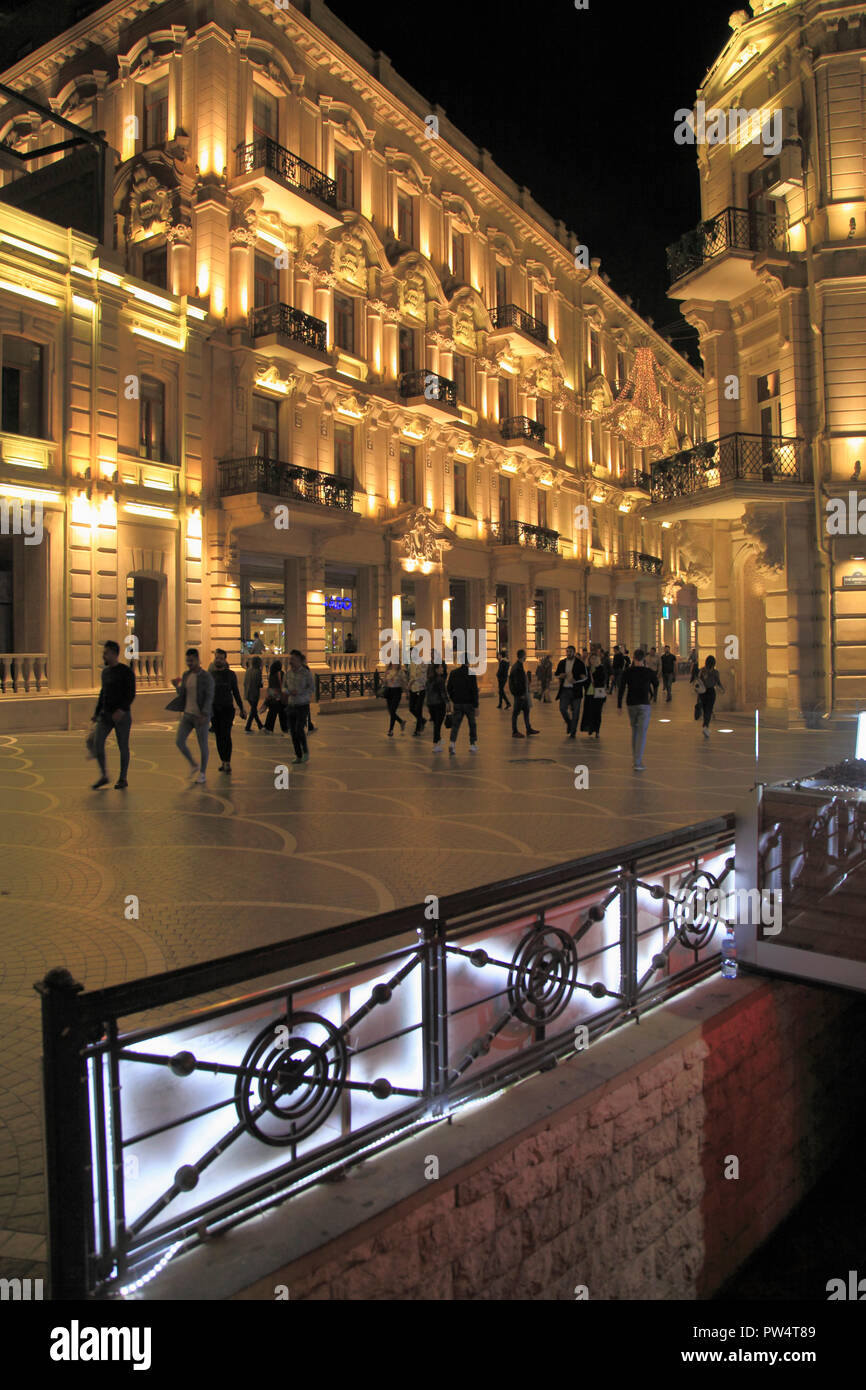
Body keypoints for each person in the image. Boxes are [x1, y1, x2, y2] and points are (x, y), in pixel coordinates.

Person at [90, 640, 136, 789]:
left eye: (106, 653)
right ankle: (104, 775)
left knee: (123, 746)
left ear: (114, 654)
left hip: (122, 716)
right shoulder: (105, 672)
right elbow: (103, 693)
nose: (104, 655)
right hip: (106, 715)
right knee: (98, 743)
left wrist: (122, 710)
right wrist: (97, 713)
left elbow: (131, 693)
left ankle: (123, 778)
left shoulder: (126, 672)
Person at [169, 648, 215, 783]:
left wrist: (205, 713)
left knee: (203, 745)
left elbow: (209, 696)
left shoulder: (206, 677)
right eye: (187, 661)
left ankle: (202, 773)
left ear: (197, 660)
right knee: (179, 741)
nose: (189, 663)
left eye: (191, 661)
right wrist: (176, 686)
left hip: (201, 716)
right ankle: (194, 765)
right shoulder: (186, 675)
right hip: (188, 715)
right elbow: (182, 694)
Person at [617, 648, 658, 770]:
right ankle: (637, 762)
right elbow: (656, 683)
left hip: (631, 704)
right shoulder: (648, 671)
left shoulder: (627, 671)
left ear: (634, 658)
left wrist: (619, 705)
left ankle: (636, 759)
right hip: (644, 704)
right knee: (641, 733)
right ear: (644, 659)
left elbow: (621, 688)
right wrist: (651, 694)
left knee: (635, 731)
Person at [209, 649, 244, 774]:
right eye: (216, 658)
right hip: (214, 710)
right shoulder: (210, 675)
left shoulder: (230, 675)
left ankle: (227, 761)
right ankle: (223, 761)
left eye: (220, 658)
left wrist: (242, 708)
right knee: (218, 736)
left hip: (227, 709)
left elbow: (236, 692)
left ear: (225, 660)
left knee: (226, 735)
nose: (218, 660)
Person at [285, 649, 316, 763]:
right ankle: (298, 755)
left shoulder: (306, 673)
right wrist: (288, 691)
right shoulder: (288, 674)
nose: (290, 661)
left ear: (298, 660)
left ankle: (305, 751)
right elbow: (284, 686)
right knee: (292, 731)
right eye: (290, 659)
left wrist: (300, 692)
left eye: (292, 659)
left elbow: (312, 688)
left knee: (299, 729)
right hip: (291, 704)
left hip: (302, 705)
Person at [446, 659, 479, 754]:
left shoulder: (453, 673)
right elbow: (474, 691)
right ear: (469, 662)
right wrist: (476, 705)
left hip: (458, 703)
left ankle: (452, 743)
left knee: (455, 725)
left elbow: (448, 688)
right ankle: (472, 744)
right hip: (469, 704)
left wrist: (453, 698)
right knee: (472, 724)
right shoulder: (472, 673)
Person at [555, 644, 587, 739]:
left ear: (574, 652)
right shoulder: (562, 662)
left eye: (570, 651)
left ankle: (573, 731)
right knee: (562, 708)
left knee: (576, 712)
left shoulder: (580, 663)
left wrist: (576, 680)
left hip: (576, 690)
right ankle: (569, 723)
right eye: (567, 651)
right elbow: (556, 674)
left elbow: (585, 677)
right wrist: (560, 676)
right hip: (565, 690)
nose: (568, 653)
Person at [692, 654, 725, 738]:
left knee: (704, 707)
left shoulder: (702, 670)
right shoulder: (715, 672)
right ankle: (705, 726)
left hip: (702, 692)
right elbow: (718, 682)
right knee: (709, 710)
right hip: (711, 692)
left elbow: (698, 681)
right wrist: (722, 688)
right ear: (714, 663)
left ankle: (704, 722)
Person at [508, 650, 539, 738]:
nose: (526, 657)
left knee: (526, 710)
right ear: (523, 656)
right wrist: (521, 694)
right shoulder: (517, 667)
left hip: (523, 693)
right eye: (525, 656)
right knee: (516, 713)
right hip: (520, 694)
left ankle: (528, 729)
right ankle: (514, 731)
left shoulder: (518, 665)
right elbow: (518, 682)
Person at [580, 656, 607, 738]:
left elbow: (603, 679)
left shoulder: (601, 669)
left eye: (594, 659)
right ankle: (590, 728)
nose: (592, 661)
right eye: (591, 659)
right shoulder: (587, 669)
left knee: (597, 712)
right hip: (589, 693)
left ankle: (597, 730)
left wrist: (594, 680)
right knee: (589, 712)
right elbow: (584, 681)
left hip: (598, 693)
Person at [425, 660, 449, 751]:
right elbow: (443, 693)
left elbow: (428, 693)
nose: (442, 668)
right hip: (439, 704)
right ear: (436, 669)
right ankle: (436, 744)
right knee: (438, 725)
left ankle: (438, 739)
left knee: (436, 723)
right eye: (440, 667)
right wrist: (447, 702)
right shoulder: (440, 680)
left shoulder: (429, 680)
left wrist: (427, 704)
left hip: (431, 704)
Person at [263, 659, 288, 734]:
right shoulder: (281, 674)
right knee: (282, 712)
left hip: (272, 695)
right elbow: (283, 684)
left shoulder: (271, 674)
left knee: (272, 712)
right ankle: (285, 728)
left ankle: (268, 727)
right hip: (279, 696)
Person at [383, 661, 407, 735]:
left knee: (393, 710)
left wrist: (406, 691)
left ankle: (391, 730)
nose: (395, 664)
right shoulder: (388, 671)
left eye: (396, 662)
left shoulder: (401, 672)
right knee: (391, 711)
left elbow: (404, 682)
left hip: (397, 691)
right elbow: (385, 681)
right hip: (389, 692)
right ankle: (401, 721)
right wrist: (385, 680)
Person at [408, 649, 429, 736]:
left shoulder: (423, 663)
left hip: (421, 688)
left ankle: (417, 730)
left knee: (419, 709)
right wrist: (409, 686)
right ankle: (422, 720)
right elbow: (411, 675)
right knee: (411, 708)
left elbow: (420, 676)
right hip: (413, 688)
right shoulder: (411, 664)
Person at [244, 656, 264, 731]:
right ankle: (248, 726)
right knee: (253, 710)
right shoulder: (258, 671)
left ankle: (259, 724)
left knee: (254, 710)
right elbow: (259, 684)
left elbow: (245, 682)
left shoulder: (248, 670)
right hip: (254, 693)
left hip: (248, 692)